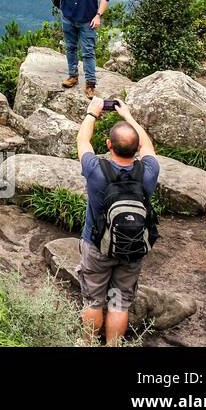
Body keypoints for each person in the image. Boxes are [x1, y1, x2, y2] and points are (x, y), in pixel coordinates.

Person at [75, 97, 160, 345]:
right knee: (118, 303)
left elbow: (82, 140)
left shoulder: (95, 169)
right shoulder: (149, 172)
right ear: (136, 149)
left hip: (96, 245)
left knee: (93, 301)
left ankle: (88, 343)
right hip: (132, 249)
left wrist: (92, 113)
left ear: (109, 145)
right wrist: (129, 117)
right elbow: (148, 147)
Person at [52, 0, 109, 94]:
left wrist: (98, 16)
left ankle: (90, 84)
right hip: (68, 17)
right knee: (70, 48)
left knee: (88, 51)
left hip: (88, 20)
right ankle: (72, 76)